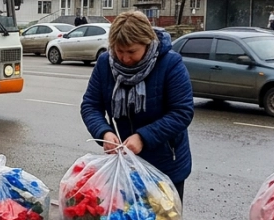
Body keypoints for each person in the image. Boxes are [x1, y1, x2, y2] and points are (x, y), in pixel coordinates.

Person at [80, 11, 194, 202]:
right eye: (119, 50)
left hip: (166, 166)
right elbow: (90, 105)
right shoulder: (104, 64)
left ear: (147, 43)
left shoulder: (170, 64)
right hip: (127, 165)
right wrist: (104, 133)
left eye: (131, 52)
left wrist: (143, 137)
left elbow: (182, 112)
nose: (124, 58)